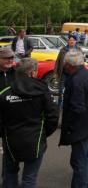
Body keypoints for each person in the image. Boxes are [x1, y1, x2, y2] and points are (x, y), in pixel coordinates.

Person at [0, 58, 59, 188]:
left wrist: (5, 134)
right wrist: (43, 133)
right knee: (29, 178)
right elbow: (53, 116)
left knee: (10, 174)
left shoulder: (5, 92)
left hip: (12, 140)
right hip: (35, 140)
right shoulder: (43, 90)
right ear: (32, 73)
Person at [59, 51, 88, 188]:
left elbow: (77, 108)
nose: (64, 65)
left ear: (70, 65)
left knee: (79, 161)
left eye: (65, 63)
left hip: (81, 127)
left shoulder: (76, 80)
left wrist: (69, 129)